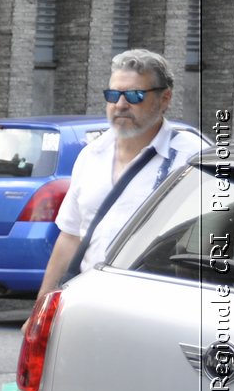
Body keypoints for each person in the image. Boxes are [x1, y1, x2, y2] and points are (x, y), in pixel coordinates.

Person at [31, 48, 205, 315]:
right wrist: (43, 305)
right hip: (89, 302)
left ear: (164, 98)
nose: (121, 104)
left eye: (134, 95)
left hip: (163, 307)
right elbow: (70, 237)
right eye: (113, 95)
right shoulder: (91, 155)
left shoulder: (193, 158)